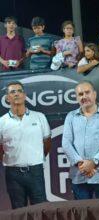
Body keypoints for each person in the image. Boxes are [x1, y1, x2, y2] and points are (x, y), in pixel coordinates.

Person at [0, 81, 51, 209]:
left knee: (41, 210)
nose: (16, 94)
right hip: (13, 174)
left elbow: (47, 142)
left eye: (19, 91)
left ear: (24, 95)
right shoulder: (2, 121)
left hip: (35, 171)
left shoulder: (39, 117)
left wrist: (37, 156)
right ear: (7, 98)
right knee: (18, 211)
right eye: (12, 92)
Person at [62, 81, 99, 200]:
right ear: (76, 97)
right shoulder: (70, 116)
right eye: (80, 94)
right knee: (82, 214)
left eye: (87, 92)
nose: (84, 96)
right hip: (78, 174)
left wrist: (93, 162)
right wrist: (81, 164)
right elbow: (66, 142)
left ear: (95, 94)